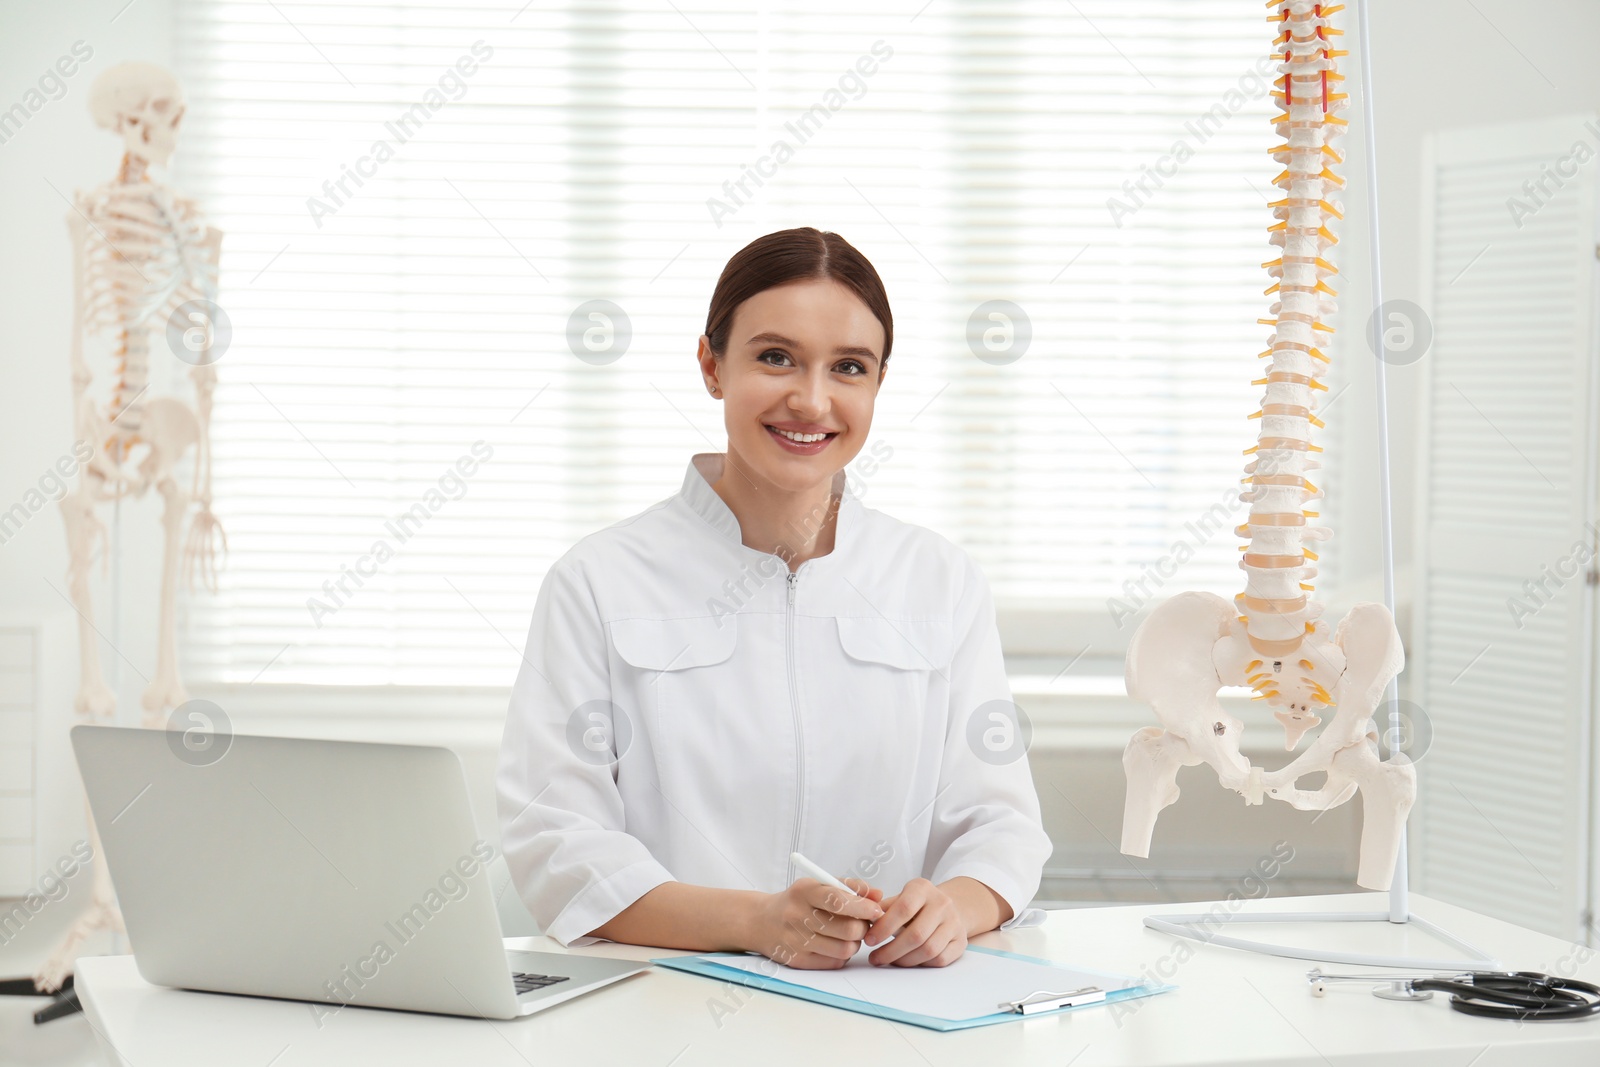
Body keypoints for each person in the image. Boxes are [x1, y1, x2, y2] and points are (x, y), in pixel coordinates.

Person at [497, 226, 1052, 970]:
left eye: (849, 367)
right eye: (775, 357)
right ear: (711, 365)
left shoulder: (939, 581)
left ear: (878, 384)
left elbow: (1001, 823)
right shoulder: (598, 581)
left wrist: (956, 905)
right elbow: (556, 842)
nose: (811, 399)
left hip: (892, 1011)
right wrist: (760, 921)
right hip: (666, 1013)